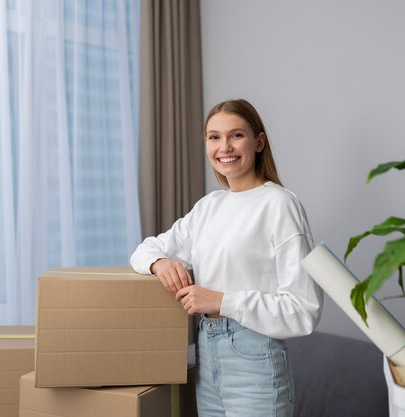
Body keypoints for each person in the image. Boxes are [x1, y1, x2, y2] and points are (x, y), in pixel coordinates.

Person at [130, 98, 323, 417]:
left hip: (255, 362)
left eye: (236, 135)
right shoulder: (209, 207)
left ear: (258, 142)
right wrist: (160, 264)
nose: (225, 147)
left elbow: (304, 310)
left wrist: (221, 300)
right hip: (207, 356)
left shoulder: (279, 205)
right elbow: (144, 250)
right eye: (214, 137)